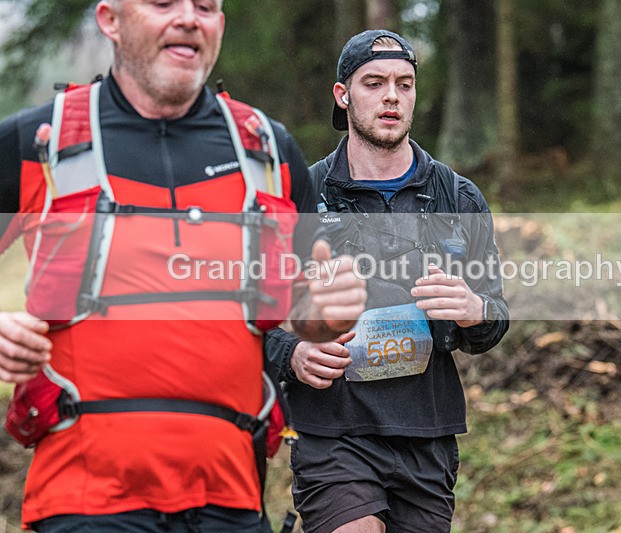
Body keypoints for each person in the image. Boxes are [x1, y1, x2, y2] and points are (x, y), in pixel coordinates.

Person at [0, 1, 365, 531]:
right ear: (110, 20)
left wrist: (327, 316)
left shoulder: (269, 152)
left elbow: (304, 310)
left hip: (231, 500)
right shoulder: (37, 142)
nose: (190, 18)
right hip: (84, 503)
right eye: (164, 3)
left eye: (206, 6)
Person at [266, 30, 509, 533]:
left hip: (427, 434)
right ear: (343, 95)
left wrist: (473, 309)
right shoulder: (302, 198)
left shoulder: (457, 197)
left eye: (405, 83)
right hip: (333, 430)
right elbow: (255, 316)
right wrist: (292, 352)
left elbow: (494, 319)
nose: (392, 96)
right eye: (374, 83)